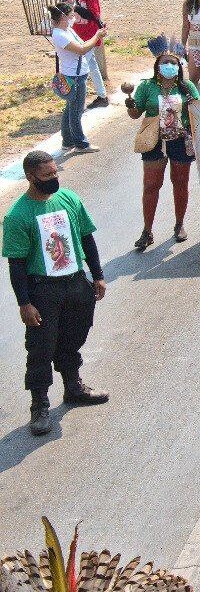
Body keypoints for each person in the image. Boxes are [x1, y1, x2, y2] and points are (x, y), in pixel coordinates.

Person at [2, 150, 109, 436]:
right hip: (43, 289)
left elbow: (87, 237)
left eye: (55, 172)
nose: (54, 177)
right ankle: (39, 405)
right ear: (30, 177)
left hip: (75, 283)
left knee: (73, 336)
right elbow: (16, 263)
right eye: (47, 174)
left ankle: (73, 387)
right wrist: (24, 303)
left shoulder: (69, 199)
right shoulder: (18, 215)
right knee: (41, 347)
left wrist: (97, 275)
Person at [124, 36, 199, 251]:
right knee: (151, 185)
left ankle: (179, 224)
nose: (169, 66)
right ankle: (147, 231)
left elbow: (199, 112)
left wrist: (193, 105)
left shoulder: (187, 87)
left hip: (180, 140)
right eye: (165, 62)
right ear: (157, 66)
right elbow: (135, 114)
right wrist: (130, 106)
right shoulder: (146, 87)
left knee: (180, 183)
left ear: (179, 66)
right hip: (154, 141)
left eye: (173, 63)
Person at [48, 3, 102, 155]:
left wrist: (96, 35)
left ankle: (67, 142)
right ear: (63, 17)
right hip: (74, 77)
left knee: (70, 109)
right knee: (76, 112)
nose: (74, 18)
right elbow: (82, 49)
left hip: (76, 74)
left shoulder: (67, 30)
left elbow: (83, 44)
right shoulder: (60, 35)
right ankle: (80, 144)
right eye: (71, 15)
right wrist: (97, 36)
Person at [61, 0, 109, 110]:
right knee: (91, 66)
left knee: (80, 67)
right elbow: (64, 10)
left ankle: (76, 101)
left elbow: (94, 14)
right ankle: (102, 97)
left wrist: (75, 7)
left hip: (90, 35)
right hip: (76, 34)